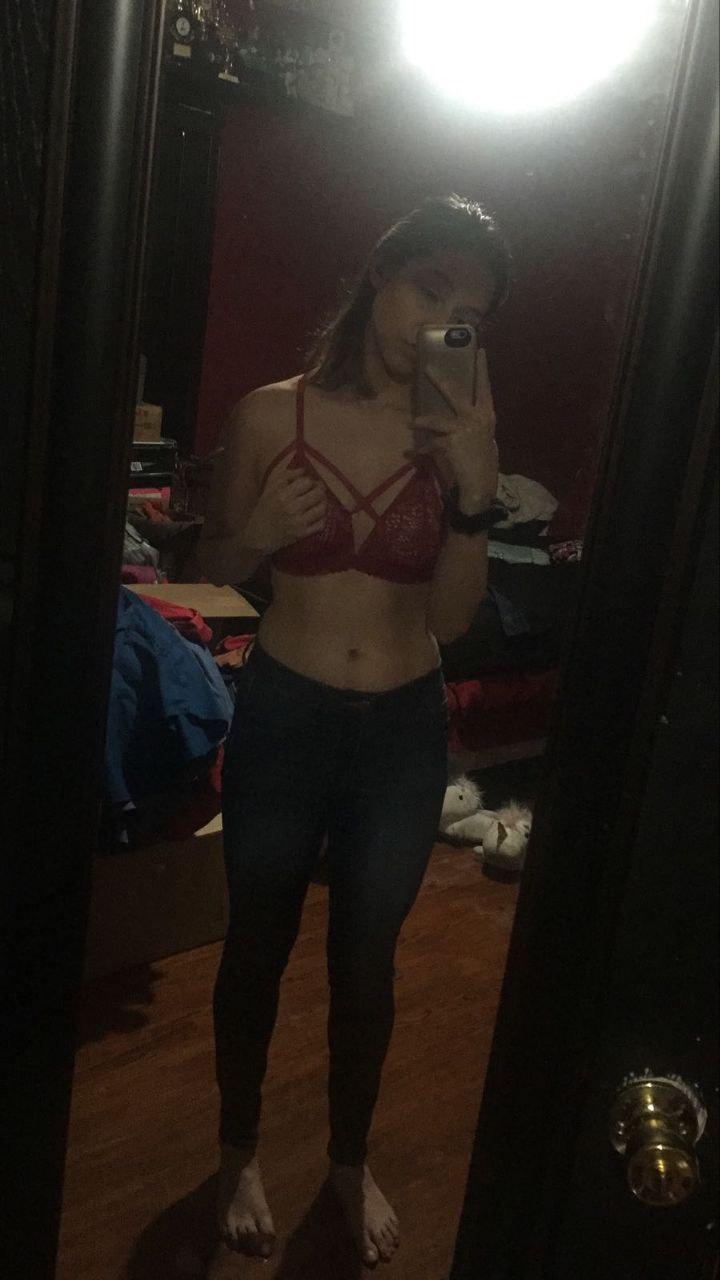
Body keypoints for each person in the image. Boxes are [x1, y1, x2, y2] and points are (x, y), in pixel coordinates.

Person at [196, 193, 512, 1268]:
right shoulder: (269, 414)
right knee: (256, 942)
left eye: (467, 314)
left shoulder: (461, 435)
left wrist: (474, 492)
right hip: (286, 713)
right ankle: (237, 1150)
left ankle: (347, 1157)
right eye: (430, 288)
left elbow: (453, 619)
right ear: (381, 274)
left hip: (402, 733)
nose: (440, 324)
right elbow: (218, 564)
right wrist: (259, 531)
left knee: (368, 962)